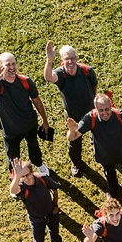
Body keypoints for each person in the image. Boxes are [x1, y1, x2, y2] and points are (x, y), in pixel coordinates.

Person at [0, 52, 49, 169]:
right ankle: (15, 175)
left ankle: (39, 165)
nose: (11, 68)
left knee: (34, 146)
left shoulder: (25, 81)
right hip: (11, 130)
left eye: (13, 64)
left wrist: (45, 121)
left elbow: (36, 101)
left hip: (29, 125)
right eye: (7, 65)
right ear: (1, 67)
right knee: (13, 156)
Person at [67, 93, 122, 195]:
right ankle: (113, 190)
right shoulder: (89, 118)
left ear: (111, 106)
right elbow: (72, 137)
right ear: (96, 108)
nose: (105, 113)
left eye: (107, 109)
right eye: (101, 110)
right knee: (110, 175)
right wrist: (72, 130)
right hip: (105, 157)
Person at [44, 42, 97, 176]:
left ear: (76, 58)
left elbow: (94, 87)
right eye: (66, 59)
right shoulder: (60, 74)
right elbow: (48, 77)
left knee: (98, 135)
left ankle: (101, 154)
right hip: (73, 116)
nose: (70, 61)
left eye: (72, 58)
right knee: (74, 140)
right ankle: (76, 163)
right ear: (62, 61)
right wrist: (49, 60)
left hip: (91, 112)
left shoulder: (87, 71)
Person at [9, 160, 69, 242]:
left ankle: (57, 241)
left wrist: (55, 205)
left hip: (51, 213)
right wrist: (17, 176)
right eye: (23, 176)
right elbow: (13, 191)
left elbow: (54, 189)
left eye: (28, 175)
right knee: (38, 238)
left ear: (32, 172)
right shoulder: (22, 187)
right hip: (36, 219)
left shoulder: (43, 179)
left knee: (54, 230)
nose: (26, 178)